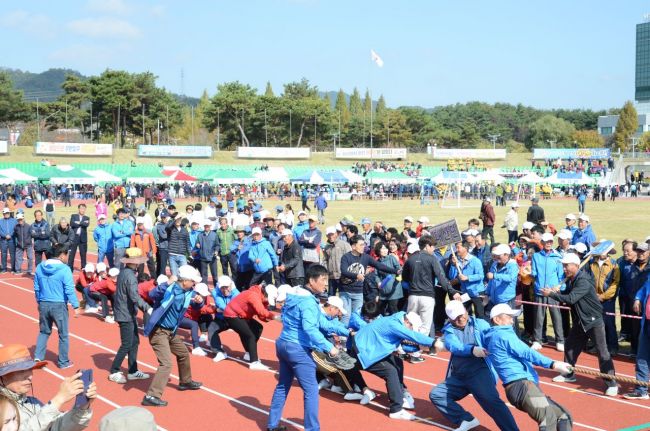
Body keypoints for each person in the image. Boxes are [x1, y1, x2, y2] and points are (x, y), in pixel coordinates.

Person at [268, 265, 342, 431]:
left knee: (282, 385)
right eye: (323, 280)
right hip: (298, 349)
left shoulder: (295, 295)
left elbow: (320, 322)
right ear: (311, 280)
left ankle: (272, 425)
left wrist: (345, 329)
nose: (325, 284)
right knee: (311, 392)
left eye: (326, 280)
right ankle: (312, 428)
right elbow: (310, 329)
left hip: (283, 344)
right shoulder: (309, 302)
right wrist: (329, 347)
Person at [429, 300, 519, 431]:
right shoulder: (449, 332)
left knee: (493, 403)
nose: (461, 318)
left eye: (462, 314)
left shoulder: (480, 324)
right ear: (450, 319)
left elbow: (493, 337)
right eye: (457, 317)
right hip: (459, 376)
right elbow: (455, 346)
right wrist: (472, 350)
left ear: (466, 310)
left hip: (479, 373)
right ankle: (466, 419)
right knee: (437, 394)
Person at [484, 304, 573, 431]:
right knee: (548, 419)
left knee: (563, 416)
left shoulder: (496, 335)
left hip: (522, 388)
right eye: (509, 317)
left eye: (512, 317)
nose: (512, 320)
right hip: (522, 387)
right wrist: (553, 364)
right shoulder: (503, 335)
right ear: (497, 320)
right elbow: (527, 352)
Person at [542, 253, 618, 396]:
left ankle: (612, 383)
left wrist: (551, 294)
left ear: (576, 266)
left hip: (593, 321)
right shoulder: (572, 279)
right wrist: (559, 290)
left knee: (602, 352)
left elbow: (571, 298)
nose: (564, 268)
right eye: (563, 266)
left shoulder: (583, 280)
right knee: (570, 347)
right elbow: (569, 293)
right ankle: (569, 374)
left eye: (567, 266)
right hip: (580, 320)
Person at [351, 311, 435, 420]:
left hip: (370, 348)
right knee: (390, 371)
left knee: (398, 362)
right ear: (407, 322)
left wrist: (419, 348)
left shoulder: (397, 321)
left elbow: (404, 347)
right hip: (362, 352)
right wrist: (433, 342)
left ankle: (400, 393)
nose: (410, 330)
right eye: (411, 328)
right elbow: (412, 336)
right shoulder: (393, 324)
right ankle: (396, 410)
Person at [143, 265, 203, 406]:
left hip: (171, 332)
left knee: (183, 354)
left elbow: (196, 305)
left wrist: (199, 303)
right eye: (192, 281)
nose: (194, 283)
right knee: (166, 363)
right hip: (159, 331)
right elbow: (151, 295)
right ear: (184, 281)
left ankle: (185, 381)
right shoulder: (169, 289)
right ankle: (151, 396)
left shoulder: (189, 291)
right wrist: (167, 283)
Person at [0, 344, 96, 430]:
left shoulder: (33, 403)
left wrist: (82, 407)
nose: (30, 376)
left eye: (30, 369)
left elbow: (58, 427)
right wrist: (58, 399)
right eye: (21, 371)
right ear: (3, 376)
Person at [402, 235, 458, 344]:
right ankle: (420, 348)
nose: (433, 250)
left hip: (413, 296)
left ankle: (410, 347)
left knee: (411, 323)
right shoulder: (432, 259)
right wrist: (452, 291)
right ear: (427, 246)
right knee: (425, 325)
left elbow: (405, 279)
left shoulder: (411, 259)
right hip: (427, 297)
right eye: (433, 247)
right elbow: (441, 278)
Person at [109, 248, 151, 384]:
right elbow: (134, 296)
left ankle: (133, 370)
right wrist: (147, 308)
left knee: (134, 342)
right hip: (125, 314)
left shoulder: (124, 272)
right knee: (127, 344)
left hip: (126, 312)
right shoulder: (130, 276)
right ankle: (114, 371)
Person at [33, 243, 78, 368]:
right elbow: (69, 289)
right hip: (58, 305)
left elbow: (36, 287)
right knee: (63, 335)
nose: (68, 257)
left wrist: (39, 301)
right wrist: (76, 305)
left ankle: (38, 357)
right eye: (67, 254)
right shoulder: (65, 269)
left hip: (43, 303)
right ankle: (63, 362)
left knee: (44, 332)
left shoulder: (40, 267)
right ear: (62, 255)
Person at [339, 235, 399, 325]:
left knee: (358, 316)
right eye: (361, 245)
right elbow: (343, 271)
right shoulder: (346, 257)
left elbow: (379, 266)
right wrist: (357, 276)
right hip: (345, 291)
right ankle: (343, 337)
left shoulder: (365, 257)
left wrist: (396, 271)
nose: (364, 247)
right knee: (346, 315)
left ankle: (356, 336)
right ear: (353, 246)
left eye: (364, 244)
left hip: (358, 292)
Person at [224, 283, 275, 370]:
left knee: (258, 327)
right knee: (250, 336)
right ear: (264, 293)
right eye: (268, 298)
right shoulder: (253, 295)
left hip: (242, 315)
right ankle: (254, 362)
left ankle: (249, 353)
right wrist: (274, 317)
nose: (267, 301)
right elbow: (261, 311)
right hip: (232, 315)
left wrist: (268, 318)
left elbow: (261, 315)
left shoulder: (261, 297)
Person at [531, 232, 565, 352]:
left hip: (553, 292)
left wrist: (559, 288)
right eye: (546, 241)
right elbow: (534, 273)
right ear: (542, 243)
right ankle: (537, 340)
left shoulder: (558, 258)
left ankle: (560, 341)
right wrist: (536, 284)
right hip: (540, 291)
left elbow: (561, 276)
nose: (549, 243)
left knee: (556, 317)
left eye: (551, 241)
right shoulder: (536, 256)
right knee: (539, 318)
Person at [624, 272, 650, 399]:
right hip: (647, 323)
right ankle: (641, 390)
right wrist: (638, 298)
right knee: (642, 357)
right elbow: (645, 287)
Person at [448, 241, 486, 319]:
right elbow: (452, 276)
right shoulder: (457, 261)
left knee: (480, 315)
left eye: (458, 247)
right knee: (465, 314)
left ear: (465, 248)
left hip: (477, 292)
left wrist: (468, 277)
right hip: (465, 292)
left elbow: (481, 276)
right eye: (456, 248)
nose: (457, 250)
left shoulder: (475, 261)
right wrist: (453, 265)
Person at [208, 275, 240, 363]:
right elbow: (221, 305)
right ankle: (219, 352)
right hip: (221, 318)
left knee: (245, 331)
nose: (225, 290)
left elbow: (235, 308)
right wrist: (222, 309)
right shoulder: (215, 292)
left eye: (227, 287)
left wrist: (224, 310)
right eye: (222, 287)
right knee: (211, 328)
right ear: (219, 287)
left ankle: (249, 352)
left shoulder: (236, 293)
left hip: (234, 318)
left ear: (231, 285)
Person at [322, 226, 351, 297]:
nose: (330, 236)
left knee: (344, 297)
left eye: (332, 234)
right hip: (332, 277)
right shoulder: (326, 247)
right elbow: (325, 261)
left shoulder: (344, 245)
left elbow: (351, 259)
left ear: (336, 234)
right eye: (329, 234)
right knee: (330, 297)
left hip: (343, 276)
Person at [196, 219, 219, 286]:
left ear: (210, 226)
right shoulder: (200, 235)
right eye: (205, 226)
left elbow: (217, 245)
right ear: (204, 226)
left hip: (212, 257)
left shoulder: (214, 235)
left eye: (208, 226)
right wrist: (197, 244)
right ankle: (204, 288)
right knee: (204, 275)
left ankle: (216, 288)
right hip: (203, 257)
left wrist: (216, 251)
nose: (207, 227)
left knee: (214, 274)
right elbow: (197, 242)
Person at [68, 203, 90, 271]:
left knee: (83, 254)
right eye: (81, 208)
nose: (82, 210)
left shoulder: (87, 218)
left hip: (83, 239)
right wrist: (82, 223)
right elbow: (72, 224)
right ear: (78, 209)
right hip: (74, 237)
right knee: (72, 254)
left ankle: (83, 268)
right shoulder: (74, 216)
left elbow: (86, 225)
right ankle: (70, 267)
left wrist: (78, 223)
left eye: (84, 209)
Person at [0, 208, 16, 273]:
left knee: (13, 254)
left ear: (9, 213)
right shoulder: (0, 221)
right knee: (3, 254)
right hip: (3, 240)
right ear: (3, 214)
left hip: (12, 239)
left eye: (7, 213)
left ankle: (13, 268)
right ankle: (4, 268)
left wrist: (10, 235)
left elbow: (15, 229)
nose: (6, 214)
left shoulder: (14, 220)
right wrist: (4, 235)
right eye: (5, 213)